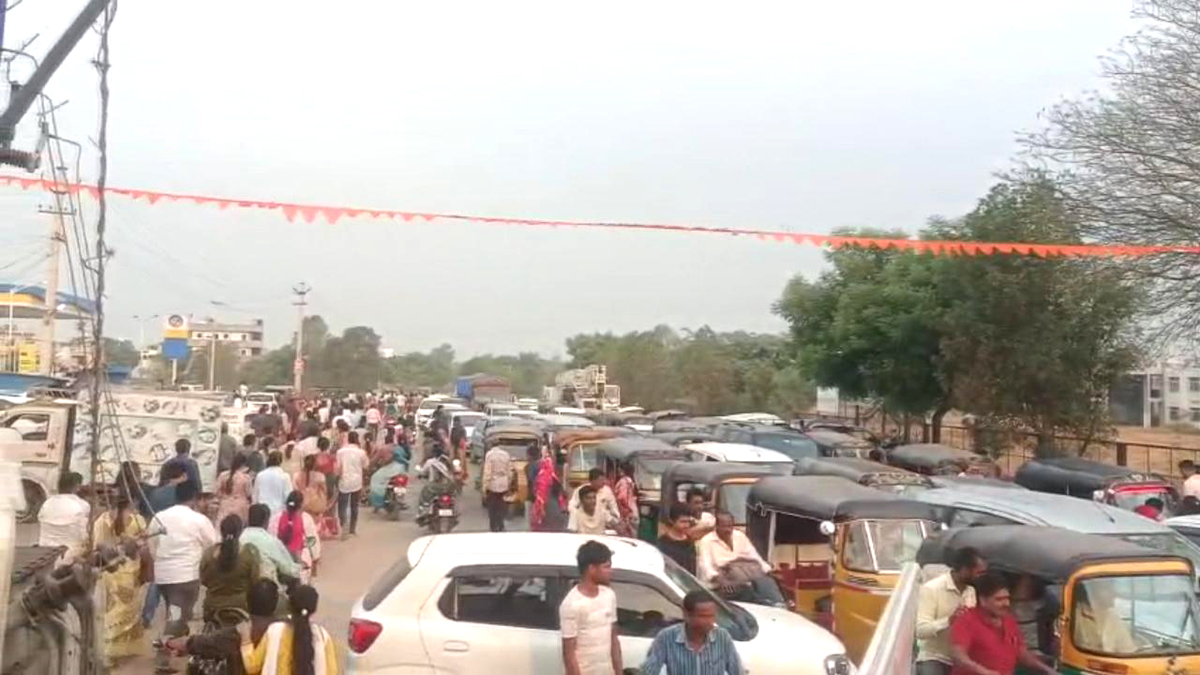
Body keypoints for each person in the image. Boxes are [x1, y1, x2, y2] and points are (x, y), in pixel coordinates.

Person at [146, 481, 219, 671]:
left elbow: (152, 545)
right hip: (185, 577)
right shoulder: (199, 520)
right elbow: (212, 545)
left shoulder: (159, 517)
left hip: (163, 576)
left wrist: (161, 562)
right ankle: (163, 657)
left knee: (175, 613)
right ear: (195, 499)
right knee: (176, 618)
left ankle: (177, 643)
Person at [164, 579, 279, 675]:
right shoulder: (286, 629)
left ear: (248, 601)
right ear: (275, 603)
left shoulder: (239, 632)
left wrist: (170, 643)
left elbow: (203, 643)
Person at [949, 572, 1056, 675]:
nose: (1006, 603)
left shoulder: (1009, 620)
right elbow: (959, 656)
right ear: (983, 600)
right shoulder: (966, 620)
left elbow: (1021, 653)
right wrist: (984, 672)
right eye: (999, 599)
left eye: (1007, 598)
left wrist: (1048, 670)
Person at [92, 492, 150, 668]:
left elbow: (98, 546)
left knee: (111, 610)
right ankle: (113, 650)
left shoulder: (101, 521)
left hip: (110, 571)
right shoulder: (138, 520)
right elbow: (144, 545)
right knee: (127, 611)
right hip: (130, 571)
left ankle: (107, 650)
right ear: (130, 505)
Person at [917, 546, 988, 675]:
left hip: (960, 659)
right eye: (979, 573)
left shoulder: (971, 591)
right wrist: (949, 621)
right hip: (934, 657)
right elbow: (920, 631)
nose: (982, 578)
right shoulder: (931, 589)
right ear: (965, 570)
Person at [240, 584, 339, 674]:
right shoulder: (322, 637)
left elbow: (252, 667)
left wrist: (245, 640)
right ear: (314, 610)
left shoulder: (275, 631)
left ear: (289, 605)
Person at [639, 589, 743, 675]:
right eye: (703, 616)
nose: (710, 621)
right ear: (687, 615)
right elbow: (648, 671)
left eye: (712, 616)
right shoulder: (666, 637)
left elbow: (737, 672)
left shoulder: (722, 638)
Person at [696, 512, 785, 607]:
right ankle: (766, 604)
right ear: (716, 526)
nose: (728, 530)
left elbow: (754, 556)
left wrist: (768, 571)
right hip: (722, 583)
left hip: (744, 575)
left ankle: (779, 604)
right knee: (747, 592)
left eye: (730, 526)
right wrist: (720, 580)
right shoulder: (706, 541)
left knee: (766, 580)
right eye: (724, 526)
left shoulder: (739, 536)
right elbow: (705, 565)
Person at [559, 540, 622, 675]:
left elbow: (613, 640)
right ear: (591, 569)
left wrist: (618, 671)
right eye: (606, 567)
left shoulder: (609, 595)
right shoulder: (572, 604)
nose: (610, 571)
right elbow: (569, 655)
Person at [200, 515, 261, 624]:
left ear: (221, 530)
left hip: (212, 609)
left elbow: (203, 580)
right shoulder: (249, 553)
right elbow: (255, 581)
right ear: (240, 532)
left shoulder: (209, 554)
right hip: (242, 608)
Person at [240, 504, 302, 586]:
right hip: (267, 589)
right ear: (266, 521)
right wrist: (300, 567)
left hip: (241, 587)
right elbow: (289, 569)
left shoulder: (239, 538)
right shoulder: (271, 541)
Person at [37, 471, 91, 566]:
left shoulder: (47, 503)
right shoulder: (82, 505)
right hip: (71, 554)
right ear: (77, 486)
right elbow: (83, 536)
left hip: (44, 550)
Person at [1073, 577, 1136, 655]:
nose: (1113, 593)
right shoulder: (1075, 616)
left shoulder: (1113, 617)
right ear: (1093, 591)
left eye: (1112, 588)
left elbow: (1128, 650)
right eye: (1107, 588)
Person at [270, 491, 321, 582]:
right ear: (301, 505)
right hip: (301, 561)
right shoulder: (306, 519)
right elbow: (313, 541)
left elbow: (271, 538)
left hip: (280, 561)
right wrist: (315, 558)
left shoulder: (276, 518)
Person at [336, 431, 368, 537]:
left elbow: (338, 468)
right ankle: (352, 529)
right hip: (356, 482)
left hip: (344, 481)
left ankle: (343, 525)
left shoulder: (340, 452)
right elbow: (366, 466)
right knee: (354, 506)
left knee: (342, 506)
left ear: (348, 439)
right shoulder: (361, 452)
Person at [482, 436, 513, 532]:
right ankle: (501, 524)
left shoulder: (489, 455)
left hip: (493, 483)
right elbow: (509, 471)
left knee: (492, 506)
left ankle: (493, 525)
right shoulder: (505, 454)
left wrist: (485, 486)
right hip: (503, 482)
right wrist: (508, 483)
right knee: (501, 505)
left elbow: (488, 472)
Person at [531, 448, 568, 531]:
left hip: (546, 509)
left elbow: (539, 495)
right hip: (555, 509)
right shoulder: (554, 477)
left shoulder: (542, 477)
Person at [657, 503, 698, 575]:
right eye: (683, 522)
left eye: (688, 522)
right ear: (672, 521)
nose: (687, 525)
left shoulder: (690, 543)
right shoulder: (663, 544)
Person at [216, 453, 254, 527]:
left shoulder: (223, 475)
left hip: (225, 504)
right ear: (243, 465)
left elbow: (216, 491)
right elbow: (249, 493)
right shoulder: (246, 478)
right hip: (240, 506)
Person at [252, 451, 293, 519]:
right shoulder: (285, 476)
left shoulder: (260, 475)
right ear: (281, 462)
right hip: (278, 512)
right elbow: (288, 496)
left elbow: (255, 495)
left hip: (262, 512)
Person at [294, 454, 330, 521]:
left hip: (301, 504)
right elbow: (325, 491)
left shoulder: (296, 475)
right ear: (315, 464)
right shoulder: (320, 476)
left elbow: (295, 489)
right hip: (315, 506)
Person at [612, 462, 640, 538]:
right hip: (633, 511)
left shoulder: (623, 482)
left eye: (619, 468)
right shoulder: (631, 481)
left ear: (622, 470)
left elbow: (622, 498)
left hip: (627, 513)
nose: (618, 470)